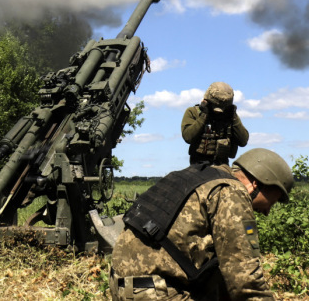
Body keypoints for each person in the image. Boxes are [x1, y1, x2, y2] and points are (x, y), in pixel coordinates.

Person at [110, 148, 294, 300]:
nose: (267, 211)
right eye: (273, 200)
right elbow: (245, 279)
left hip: (124, 284)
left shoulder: (201, 178)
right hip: (155, 292)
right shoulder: (233, 193)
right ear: (256, 184)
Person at [181, 82, 249, 165]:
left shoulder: (230, 116)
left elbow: (243, 141)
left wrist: (234, 116)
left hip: (222, 164)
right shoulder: (193, 112)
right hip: (198, 165)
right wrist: (204, 115)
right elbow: (188, 137)